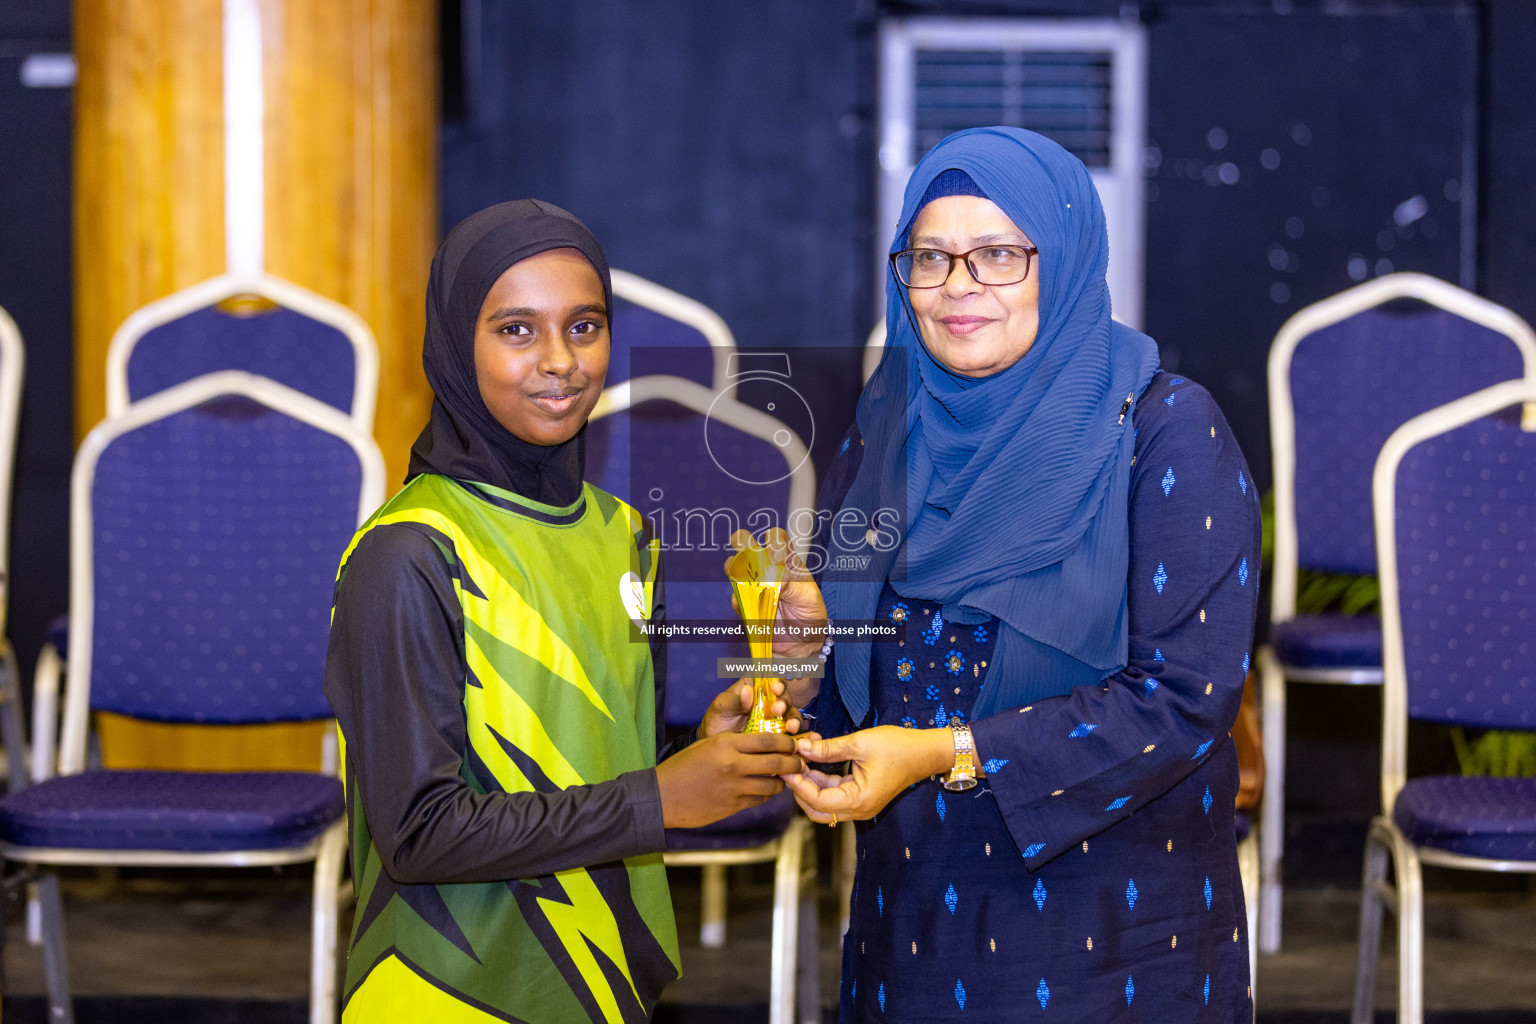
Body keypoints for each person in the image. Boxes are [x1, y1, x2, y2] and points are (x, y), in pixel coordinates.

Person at [776, 128, 1261, 1021]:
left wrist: (942, 752)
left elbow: (1182, 703)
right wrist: (800, 672)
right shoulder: (883, 436)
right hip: (911, 932)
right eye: (931, 257)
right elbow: (852, 690)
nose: (959, 286)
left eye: (998, 254)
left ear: (1065, 261)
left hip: (1114, 940)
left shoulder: (1165, 436)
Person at [324, 200, 803, 1024]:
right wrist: (658, 799)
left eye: (585, 327)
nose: (560, 361)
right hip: (449, 989)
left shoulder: (625, 537)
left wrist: (704, 751)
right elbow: (418, 835)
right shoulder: (407, 555)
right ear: (453, 346)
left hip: (602, 982)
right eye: (516, 330)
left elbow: (610, 761)